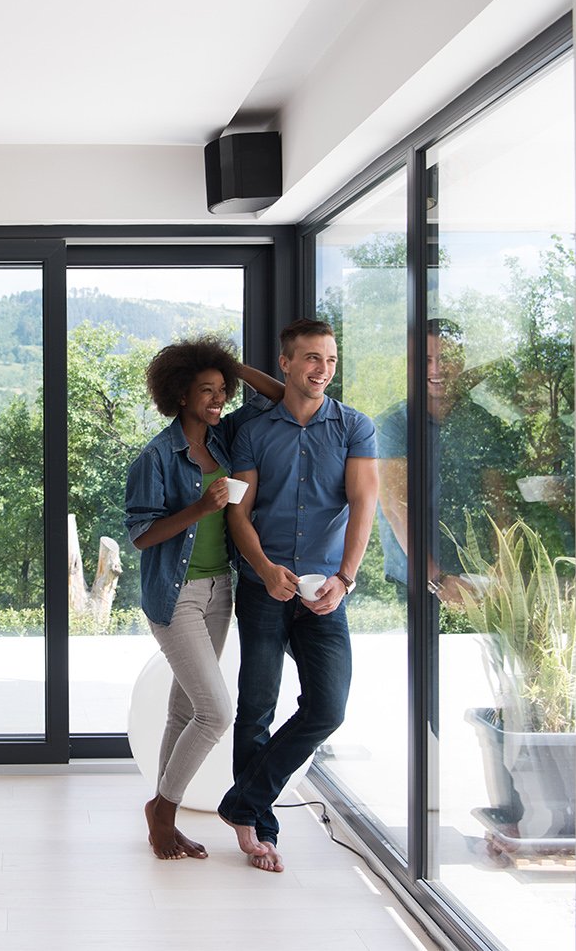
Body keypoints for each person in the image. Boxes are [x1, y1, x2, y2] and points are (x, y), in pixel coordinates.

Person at [218, 318, 378, 872]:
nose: (323, 370)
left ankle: (243, 800)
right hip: (265, 587)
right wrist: (263, 568)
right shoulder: (253, 431)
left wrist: (346, 578)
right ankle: (257, 828)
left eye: (331, 360)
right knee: (256, 706)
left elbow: (364, 506)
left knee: (327, 707)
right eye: (311, 358)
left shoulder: (355, 428)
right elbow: (238, 511)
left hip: (326, 589)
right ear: (285, 362)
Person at [124, 335, 284, 861]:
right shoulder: (156, 456)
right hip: (176, 596)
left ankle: (159, 812)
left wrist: (225, 364)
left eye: (222, 391)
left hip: (220, 591)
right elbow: (142, 535)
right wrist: (201, 506)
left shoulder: (223, 438)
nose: (218, 400)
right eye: (206, 391)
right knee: (216, 713)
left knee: (184, 709)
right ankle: (163, 814)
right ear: (179, 394)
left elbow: (276, 397)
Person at [375, 318, 522, 605]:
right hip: (417, 578)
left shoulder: (483, 424)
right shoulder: (392, 425)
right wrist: (437, 580)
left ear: (462, 359)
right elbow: (395, 508)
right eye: (426, 359)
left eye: (446, 359)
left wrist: (505, 565)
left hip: (478, 576)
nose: (436, 369)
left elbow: (498, 501)